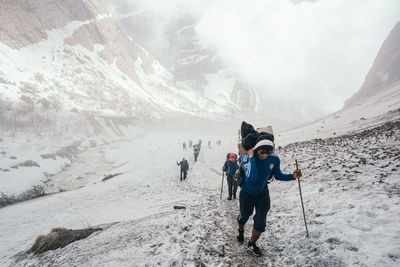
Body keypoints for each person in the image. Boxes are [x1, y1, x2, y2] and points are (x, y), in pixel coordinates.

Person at [236, 136, 302, 257]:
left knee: (261, 222)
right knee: (244, 216)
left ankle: (252, 243)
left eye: (269, 152)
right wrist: (251, 157)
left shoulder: (274, 159)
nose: (266, 155)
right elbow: (253, 176)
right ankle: (240, 230)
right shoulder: (246, 158)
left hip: (262, 193)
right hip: (247, 193)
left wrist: (292, 176)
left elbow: (278, 175)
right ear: (256, 150)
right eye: (262, 152)